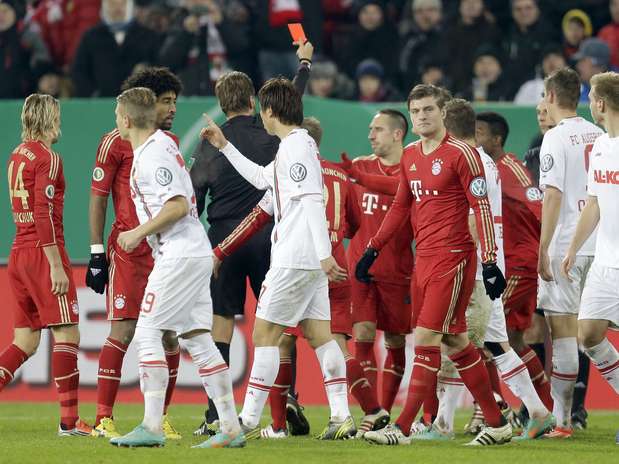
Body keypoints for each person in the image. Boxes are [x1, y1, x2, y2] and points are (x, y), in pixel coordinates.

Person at [207, 117, 389, 439]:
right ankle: (349, 414)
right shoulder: (329, 172)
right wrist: (225, 145)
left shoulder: (294, 163)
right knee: (326, 339)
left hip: (303, 261)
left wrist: (221, 251)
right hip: (332, 264)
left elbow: (278, 211)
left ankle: (258, 423)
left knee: (273, 339)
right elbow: (354, 222)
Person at [359, 84, 510, 446]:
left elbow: (482, 207)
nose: (422, 116)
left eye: (429, 109)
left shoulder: (463, 154)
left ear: (443, 113)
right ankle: (497, 423)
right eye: (416, 111)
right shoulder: (410, 155)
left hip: (454, 258)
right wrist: (373, 248)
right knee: (457, 341)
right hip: (423, 259)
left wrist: (489, 261)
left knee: (426, 339)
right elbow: (400, 206)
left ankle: (403, 427)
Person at [190, 41, 313, 437]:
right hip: (268, 237)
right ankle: (288, 396)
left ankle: (215, 413)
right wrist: (304, 64)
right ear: (253, 101)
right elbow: (291, 101)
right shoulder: (271, 134)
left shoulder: (210, 142)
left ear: (222, 103)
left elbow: (194, 196)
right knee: (277, 324)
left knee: (221, 322)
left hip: (223, 237)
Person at [109, 87, 243, 449]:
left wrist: (138, 232)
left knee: (148, 332)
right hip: (193, 250)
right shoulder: (162, 145)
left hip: (179, 252)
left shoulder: (152, 155)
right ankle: (230, 426)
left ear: (125, 119)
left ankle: (152, 425)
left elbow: (179, 205)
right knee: (198, 338)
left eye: (117, 117)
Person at [425, 99, 554, 441]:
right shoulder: (483, 161)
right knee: (494, 344)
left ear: (447, 127)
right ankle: (536, 412)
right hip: (489, 261)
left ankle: (471, 417)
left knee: (459, 342)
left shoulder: (464, 160)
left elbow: (472, 216)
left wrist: (480, 261)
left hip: (474, 264)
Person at [86, 67, 183, 439]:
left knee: (170, 335)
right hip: (128, 250)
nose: (172, 108)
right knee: (123, 331)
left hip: (163, 251)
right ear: (146, 102)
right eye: (165, 101)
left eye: (174, 101)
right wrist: (96, 254)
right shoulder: (115, 141)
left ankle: (161, 418)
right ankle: (104, 417)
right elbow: (98, 199)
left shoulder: (167, 143)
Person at [0, 94, 92, 436]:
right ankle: (69, 421)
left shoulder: (16, 156)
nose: (60, 122)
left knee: (25, 342)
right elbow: (43, 213)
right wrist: (55, 264)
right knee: (67, 332)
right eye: (57, 115)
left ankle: (69, 421)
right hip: (42, 254)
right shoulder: (47, 158)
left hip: (18, 253)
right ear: (47, 118)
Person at [537, 67, 604, 438]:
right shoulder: (601, 133)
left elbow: (553, 195)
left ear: (549, 95)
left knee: (562, 334)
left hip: (566, 246)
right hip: (602, 246)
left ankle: (562, 421)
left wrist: (542, 247)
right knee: (594, 334)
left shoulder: (555, 138)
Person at [475, 111, 554, 417]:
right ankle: (543, 407)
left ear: (497, 139)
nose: (475, 138)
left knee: (485, 334)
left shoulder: (509, 169)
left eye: (480, 132)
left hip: (519, 265)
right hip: (510, 264)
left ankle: (493, 409)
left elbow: (537, 206)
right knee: (516, 341)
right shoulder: (486, 167)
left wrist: (541, 253)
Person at [339, 109, 414, 416]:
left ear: (398, 134)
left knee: (395, 339)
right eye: (370, 129)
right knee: (364, 334)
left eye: (378, 129)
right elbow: (349, 218)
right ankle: (373, 414)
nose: (371, 134)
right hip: (360, 267)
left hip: (397, 269)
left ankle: (387, 407)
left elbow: (401, 194)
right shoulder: (358, 165)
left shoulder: (412, 171)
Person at [562, 71, 619, 445]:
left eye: (591, 98)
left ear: (599, 102)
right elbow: (595, 202)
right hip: (605, 261)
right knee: (588, 334)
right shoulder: (600, 146)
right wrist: (572, 247)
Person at [71, 0, 161, 97]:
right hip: (100, 105)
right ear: (104, 6)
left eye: (122, 3)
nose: (118, 8)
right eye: (112, 3)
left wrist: (147, 72)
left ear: (131, 6)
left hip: (139, 106)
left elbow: (160, 67)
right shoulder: (90, 37)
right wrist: (92, 94)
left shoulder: (149, 36)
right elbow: (79, 71)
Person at [573, 38, 611, 103]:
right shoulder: (578, 90)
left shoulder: (615, 90)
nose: (578, 66)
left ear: (596, 63)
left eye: (583, 61)